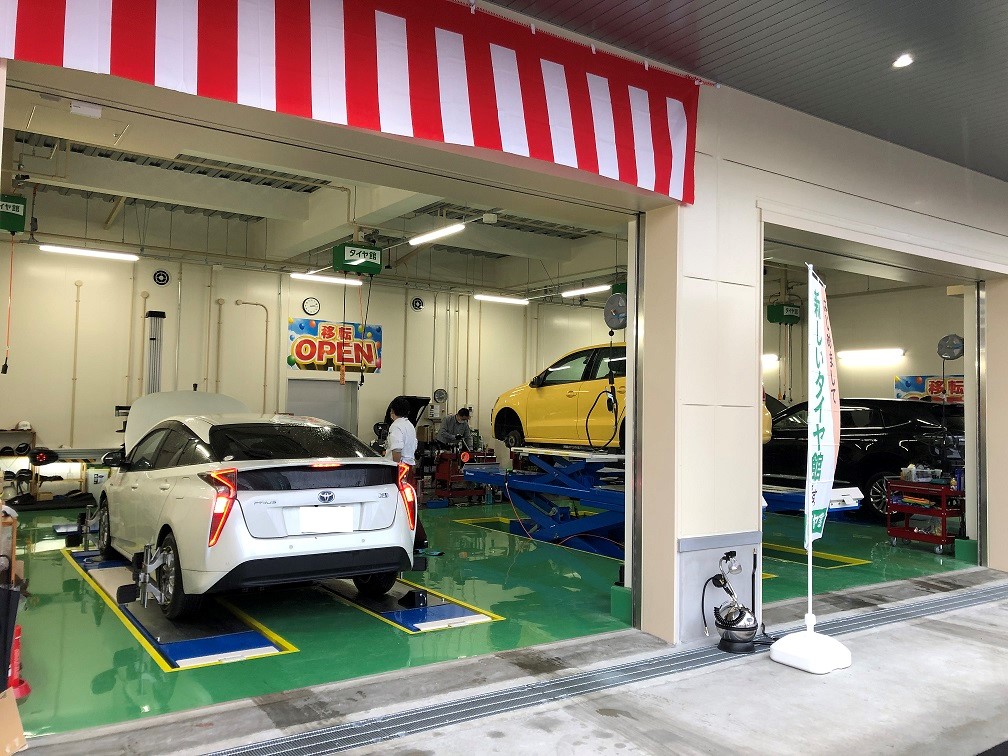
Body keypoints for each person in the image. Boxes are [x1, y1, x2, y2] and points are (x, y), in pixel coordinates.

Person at [386, 396, 427, 550]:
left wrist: (396, 467)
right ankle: (417, 538)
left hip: (400, 468)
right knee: (409, 505)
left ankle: (416, 539)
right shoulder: (409, 425)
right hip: (409, 466)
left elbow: (397, 450)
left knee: (401, 504)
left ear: (393, 411)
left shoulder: (396, 426)